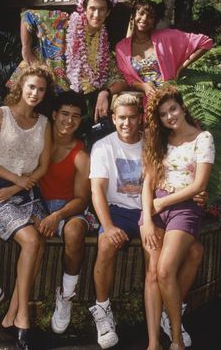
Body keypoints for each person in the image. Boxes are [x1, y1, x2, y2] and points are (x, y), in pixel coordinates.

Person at [140, 84, 215, 350]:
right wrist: (147, 218)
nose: (170, 116)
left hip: (183, 207)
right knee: (151, 274)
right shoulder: (159, 140)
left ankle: (175, 339)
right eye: (163, 114)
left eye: (173, 109)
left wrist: (163, 202)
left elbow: (198, 186)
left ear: (182, 108)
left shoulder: (202, 138)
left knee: (164, 270)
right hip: (153, 210)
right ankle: (152, 343)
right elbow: (148, 182)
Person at [0, 63, 53, 350]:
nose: (35, 93)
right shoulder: (1, 115)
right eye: (31, 87)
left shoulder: (45, 123)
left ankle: (12, 313)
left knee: (39, 245)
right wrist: (12, 182)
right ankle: (22, 316)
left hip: (28, 193)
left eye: (41, 89)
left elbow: (43, 165)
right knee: (32, 240)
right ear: (20, 87)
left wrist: (19, 185)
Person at [7, 0, 128, 126]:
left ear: (107, 13)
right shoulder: (63, 21)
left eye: (101, 9)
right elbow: (27, 16)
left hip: (63, 107)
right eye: (92, 8)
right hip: (36, 92)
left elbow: (120, 80)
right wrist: (26, 49)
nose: (96, 14)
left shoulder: (103, 50)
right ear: (84, 9)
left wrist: (105, 92)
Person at [89, 94, 144, 349]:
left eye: (132, 117)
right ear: (113, 118)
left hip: (147, 212)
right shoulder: (103, 146)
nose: (127, 123)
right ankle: (102, 309)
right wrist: (109, 226)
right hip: (117, 210)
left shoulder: (151, 144)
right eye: (121, 117)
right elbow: (97, 191)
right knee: (105, 244)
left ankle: (167, 309)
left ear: (140, 117)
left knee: (162, 249)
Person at [38, 90, 91, 334]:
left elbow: (81, 200)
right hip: (35, 203)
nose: (69, 121)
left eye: (76, 117)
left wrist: (57, 216)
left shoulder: (80, 155)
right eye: (65, 114)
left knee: (74, 232)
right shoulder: (39, 138)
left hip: (67, 208)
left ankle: (66, 295)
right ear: (54, 114)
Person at [116, 0, 213, 103]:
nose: (144, 19)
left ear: (155, 21)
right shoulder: (121, 48)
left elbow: (206, 42)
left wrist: (181, 67)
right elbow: (127, 78)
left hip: (169, 100)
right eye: (141, 13)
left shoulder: (166, 37)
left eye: (150, 16)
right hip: (142, 106)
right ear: (133, 14)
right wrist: (143, 86)